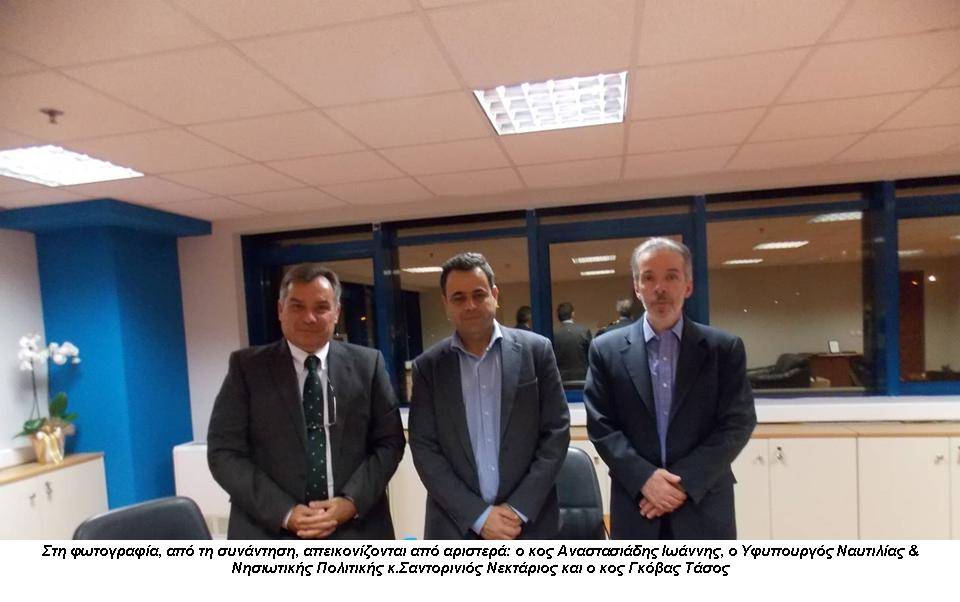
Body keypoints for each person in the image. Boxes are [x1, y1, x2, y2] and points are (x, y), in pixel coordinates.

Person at [207, 263, 405, 539]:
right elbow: (224, 453)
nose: (309, 318)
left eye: (321, 307)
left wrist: (351, 502)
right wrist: (285, 513)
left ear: (336, 312)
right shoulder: (247, 369)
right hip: (269, 529)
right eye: (297, 306)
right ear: (280, 310)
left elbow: (390, 443)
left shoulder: (368, 365)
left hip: (356, 527)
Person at [584, 238, 755, 539]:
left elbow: (737, 422)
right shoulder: (605, 350)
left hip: (703, 503)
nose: (659, 288)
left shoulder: (723, 349)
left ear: (688, 286)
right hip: (638, 505)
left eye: (671, 276)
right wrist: (645, 479)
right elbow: (602, 426)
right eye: (648, 277)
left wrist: (682, 482)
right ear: (637, 288)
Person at [408, 252, 570, 539]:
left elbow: (556, 433)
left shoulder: (536, 351)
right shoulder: (428, 367)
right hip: (456, 526)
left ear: (494, 295)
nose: (470, 305)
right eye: (458, 297)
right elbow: (424, 449)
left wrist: (517, 509)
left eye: (478, 294)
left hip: (529, 523)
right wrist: (479, 516)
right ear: (446, 304)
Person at [552, 301, 592, 381]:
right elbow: (591, 354)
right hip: (582, 378)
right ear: (572, 314)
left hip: (560, 378)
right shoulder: (584, 331)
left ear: (558, 316)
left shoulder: (553, 333)